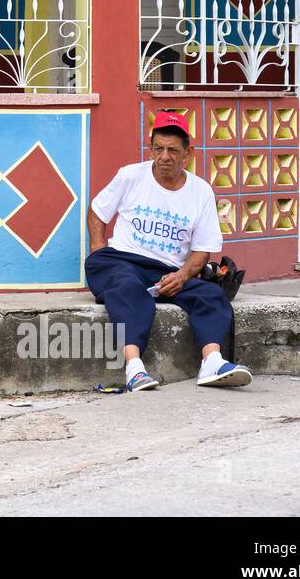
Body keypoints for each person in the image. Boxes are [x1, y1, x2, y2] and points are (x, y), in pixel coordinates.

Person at [85, 110, 252, 392]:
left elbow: (202, 251)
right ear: (150, 149)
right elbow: (97, 211)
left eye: (173, 150)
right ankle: (134, 368)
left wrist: (182, 276)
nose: (164, 156)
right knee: (126, 286)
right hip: (123, 261)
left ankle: (212, 361)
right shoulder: (130, 176)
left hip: (168, 273)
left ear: (188, 154)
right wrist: (98, 247)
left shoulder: (201, 192)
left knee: (211, 294)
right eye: (158, 149)